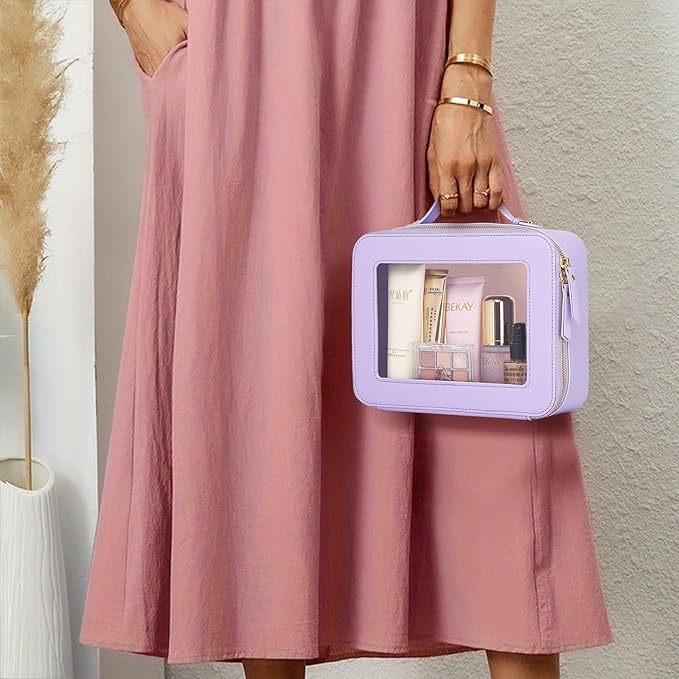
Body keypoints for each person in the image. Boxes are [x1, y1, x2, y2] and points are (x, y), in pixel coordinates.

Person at [80, 1, 613, 678]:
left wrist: (468, 75)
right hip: (236, 66)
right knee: (264, 408)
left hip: (407, 54)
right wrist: (133, 9)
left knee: (489, 418)